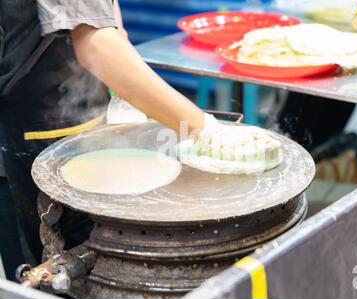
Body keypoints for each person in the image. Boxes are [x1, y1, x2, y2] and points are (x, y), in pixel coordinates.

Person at [0, 0, 264, 280]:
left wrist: (126, 82)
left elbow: (105, 20)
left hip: (77, 115)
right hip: (23, 133)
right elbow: (94, 44)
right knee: (49, 274)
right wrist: (205, 129)